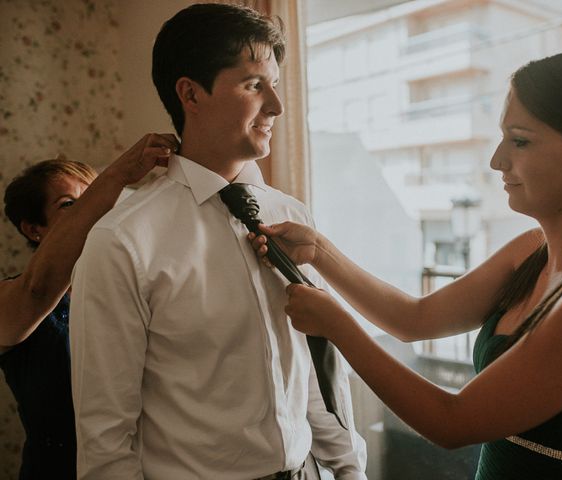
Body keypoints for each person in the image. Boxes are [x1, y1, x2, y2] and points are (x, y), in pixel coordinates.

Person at [250, 43, 562, 479]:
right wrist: (319, 252)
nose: (497, 160)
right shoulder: (531, 251)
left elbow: (453, 422)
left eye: (520, 141)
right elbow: (415, 319)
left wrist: (337, 325)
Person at [69, 4, 366, 480]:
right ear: (190, 93)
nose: (277, 105)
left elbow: (308, 371)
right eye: (254, 85)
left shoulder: (290, 216)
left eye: (275, 84)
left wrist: (349, 468)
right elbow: (106, 440)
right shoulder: (122, 241)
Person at [0, 133, 178, 480]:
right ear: (34, 229)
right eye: (70, 204)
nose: (96, 210)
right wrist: (115, 176)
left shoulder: (130, 288)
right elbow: (39, 288)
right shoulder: (13, 299)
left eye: (94, 196)